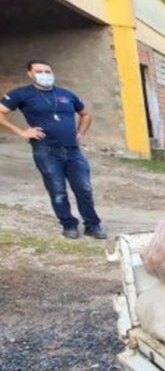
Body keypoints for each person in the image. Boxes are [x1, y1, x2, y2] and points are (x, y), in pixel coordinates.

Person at [0, 60, 106, 239]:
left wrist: (80, 133)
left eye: (47, 71)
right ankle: (69, 225)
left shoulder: (66, 94)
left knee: (84, 189)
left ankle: (93, 225)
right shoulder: (22, 94)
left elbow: (85, 114)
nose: (45, 74)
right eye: (39, 71)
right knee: (57, 190)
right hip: (46, 150)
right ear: (30, 74)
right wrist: (22, 132)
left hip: (73, 151)